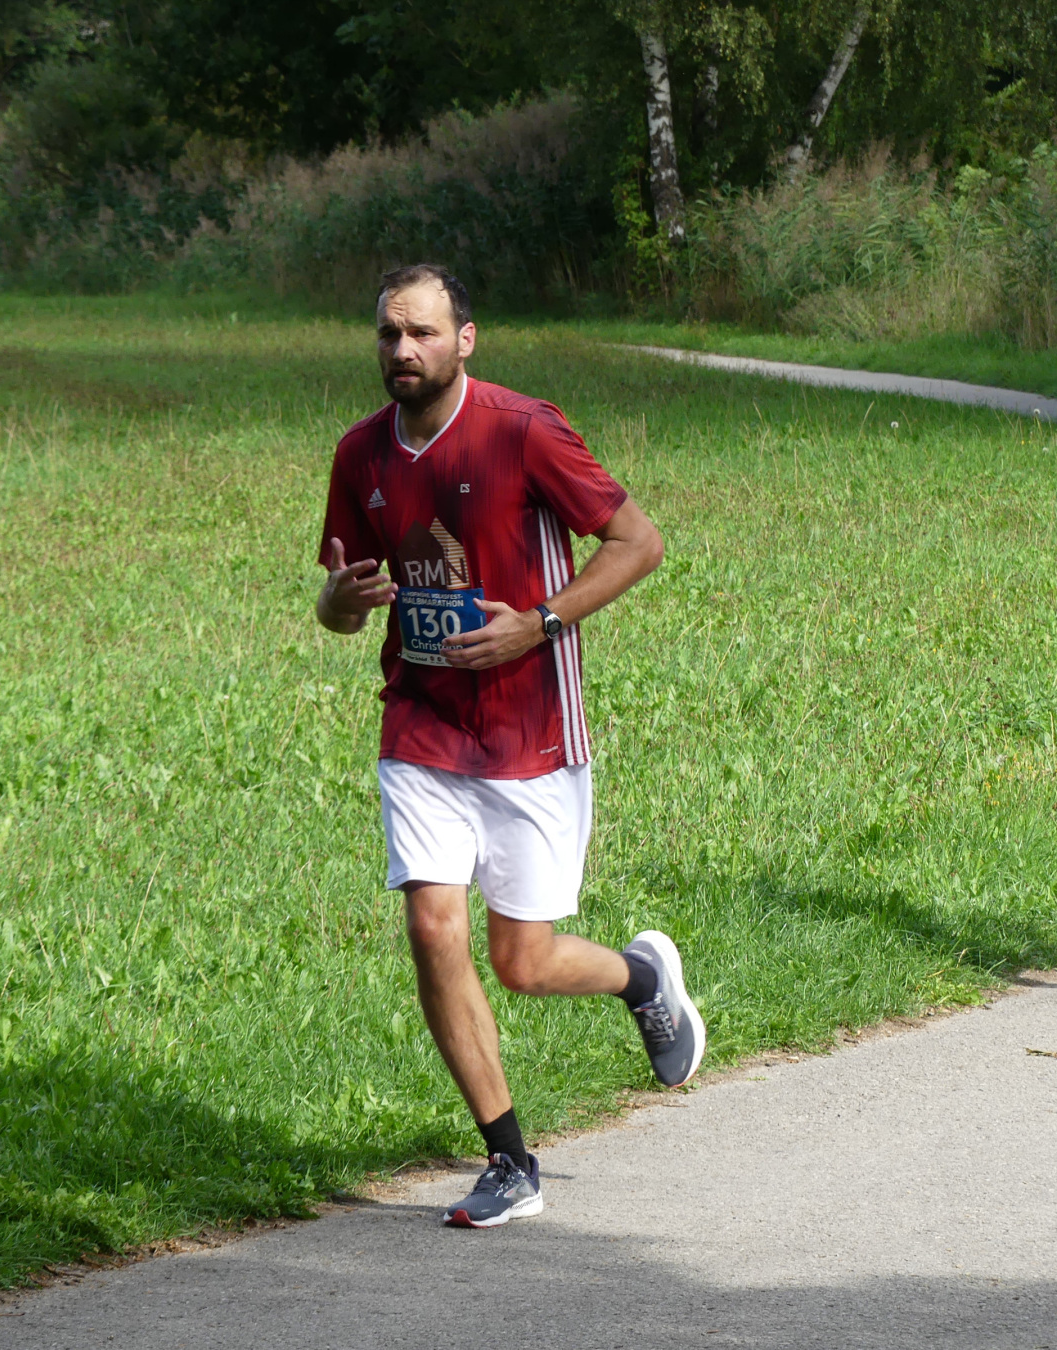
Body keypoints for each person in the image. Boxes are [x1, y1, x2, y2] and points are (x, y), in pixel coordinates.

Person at [315, 263, 706, 1228]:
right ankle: (508, 1159)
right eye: (388, 334)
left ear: (465, 339)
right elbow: (339, 610)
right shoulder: (360, 454)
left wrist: (539, 623)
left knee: (523, 962)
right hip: (420, 722)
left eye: (422, 333)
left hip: (530, 730)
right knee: (432, 928)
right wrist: (338, 601)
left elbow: (640, 543)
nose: (403, 350)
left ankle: (642, 977)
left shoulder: (523, 429)